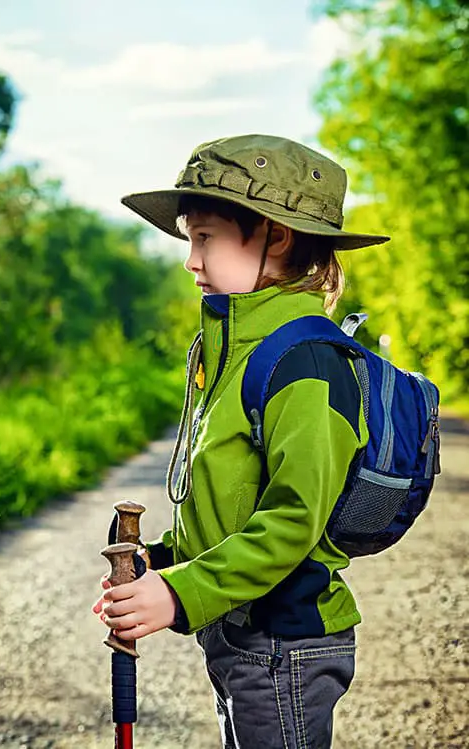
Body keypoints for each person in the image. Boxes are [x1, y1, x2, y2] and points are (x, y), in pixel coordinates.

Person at [92, 134, 390, 748]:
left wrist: (179, 595)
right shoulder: (235, 347)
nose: (189, 260)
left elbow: (291, 522)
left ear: (274, 235)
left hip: (285, 647)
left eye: (205, 237)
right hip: (242, 636)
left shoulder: (305, 361)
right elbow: (232, 499)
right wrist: (166, 562)